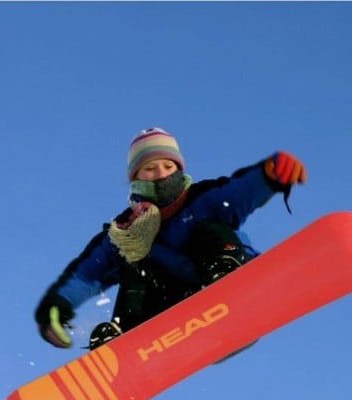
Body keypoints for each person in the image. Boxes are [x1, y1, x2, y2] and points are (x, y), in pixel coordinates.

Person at [34, 127, 307, 350]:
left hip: (219, 274)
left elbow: (242, 191)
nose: (161, 174)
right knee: (134, 259)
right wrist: (57, 306)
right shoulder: (126, 230)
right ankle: (126, 338)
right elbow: (88, 272)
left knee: (208, 227)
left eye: (167, 165)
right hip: (174, 306)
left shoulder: (204, 198)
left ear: (178, 169)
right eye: (150, 169)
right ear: (136, 177)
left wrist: (269, 175)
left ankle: (226, 279)